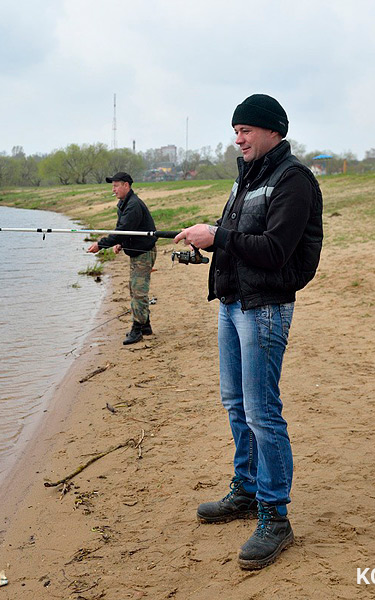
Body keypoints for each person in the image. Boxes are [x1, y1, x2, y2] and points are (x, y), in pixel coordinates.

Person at [173, 94, 323, 569]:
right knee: (235, 403)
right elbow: (239, 238)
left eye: (246, 130)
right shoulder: (248, 177)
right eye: (235, 130)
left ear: (273, 130)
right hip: (233, 303)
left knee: (262, 412)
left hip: (266, 309)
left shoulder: (293, 179)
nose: (238, 138)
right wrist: (209, 241)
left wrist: (218, 237)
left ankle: (275, 517)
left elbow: (277, 249)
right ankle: (248, 489)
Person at [87, 172, 157, 345]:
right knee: (135, 289)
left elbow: (123, 230)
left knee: (138, 291)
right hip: (137, 251)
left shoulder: (133, 205)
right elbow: (124, 231)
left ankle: (137, 329)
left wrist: (101, 245)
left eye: (116, 185)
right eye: (113, 185)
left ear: (127, 185)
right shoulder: (124, 203)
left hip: (144, 253)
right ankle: (145, 325)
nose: (114, 189)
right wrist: (122, 243)